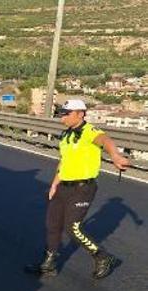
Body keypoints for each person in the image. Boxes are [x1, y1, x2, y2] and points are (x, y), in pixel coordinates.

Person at [25, 99, 129, 279]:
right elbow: (64, 161)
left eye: (66, 113)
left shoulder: (90, 131)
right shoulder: (65, 135)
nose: (62, 117)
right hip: (63, 186)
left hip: (83, 187)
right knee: (52, 225)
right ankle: (48, 264)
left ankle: (103, 257)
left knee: (73, 227)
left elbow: (105, 140)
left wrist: (115, 156)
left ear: (80, 114)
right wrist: (54, 183)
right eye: (61, 113)